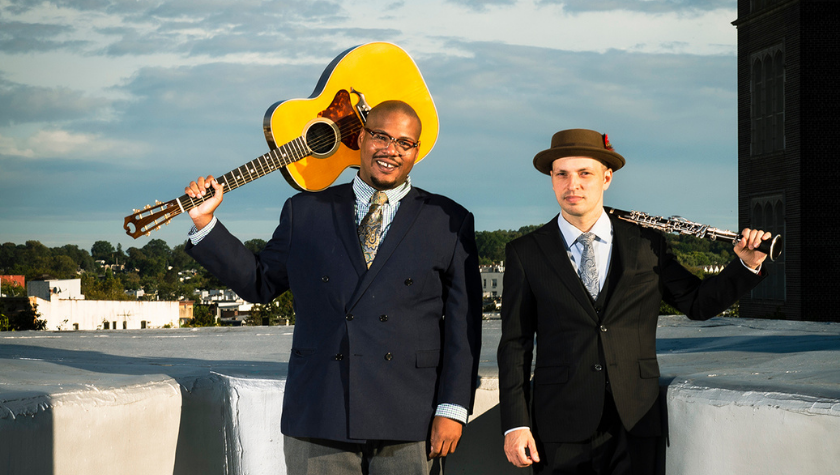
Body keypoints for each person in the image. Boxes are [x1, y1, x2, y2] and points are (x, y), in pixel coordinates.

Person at [184, 100, 482, 475]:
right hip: (320, 410)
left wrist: (453, 409)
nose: (391, 150)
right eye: (381, 136)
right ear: (361, 137)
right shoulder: (305, 211)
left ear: (416, 152)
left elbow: (463, 327)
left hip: (411, 415)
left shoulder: (449, 219)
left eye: (404, 143)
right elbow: (259, 282)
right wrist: (206, 222)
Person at [497, 128, 771, 474]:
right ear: (551, 179)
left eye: (585, 173)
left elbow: (697, 303)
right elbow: (514, 345)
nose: (573, 185)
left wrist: (747, 264)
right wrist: (515, 424)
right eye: (562, 174)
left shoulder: (647, 243)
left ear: (606, 177)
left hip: (636, 421)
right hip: (558, 427)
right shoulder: (525, 252)